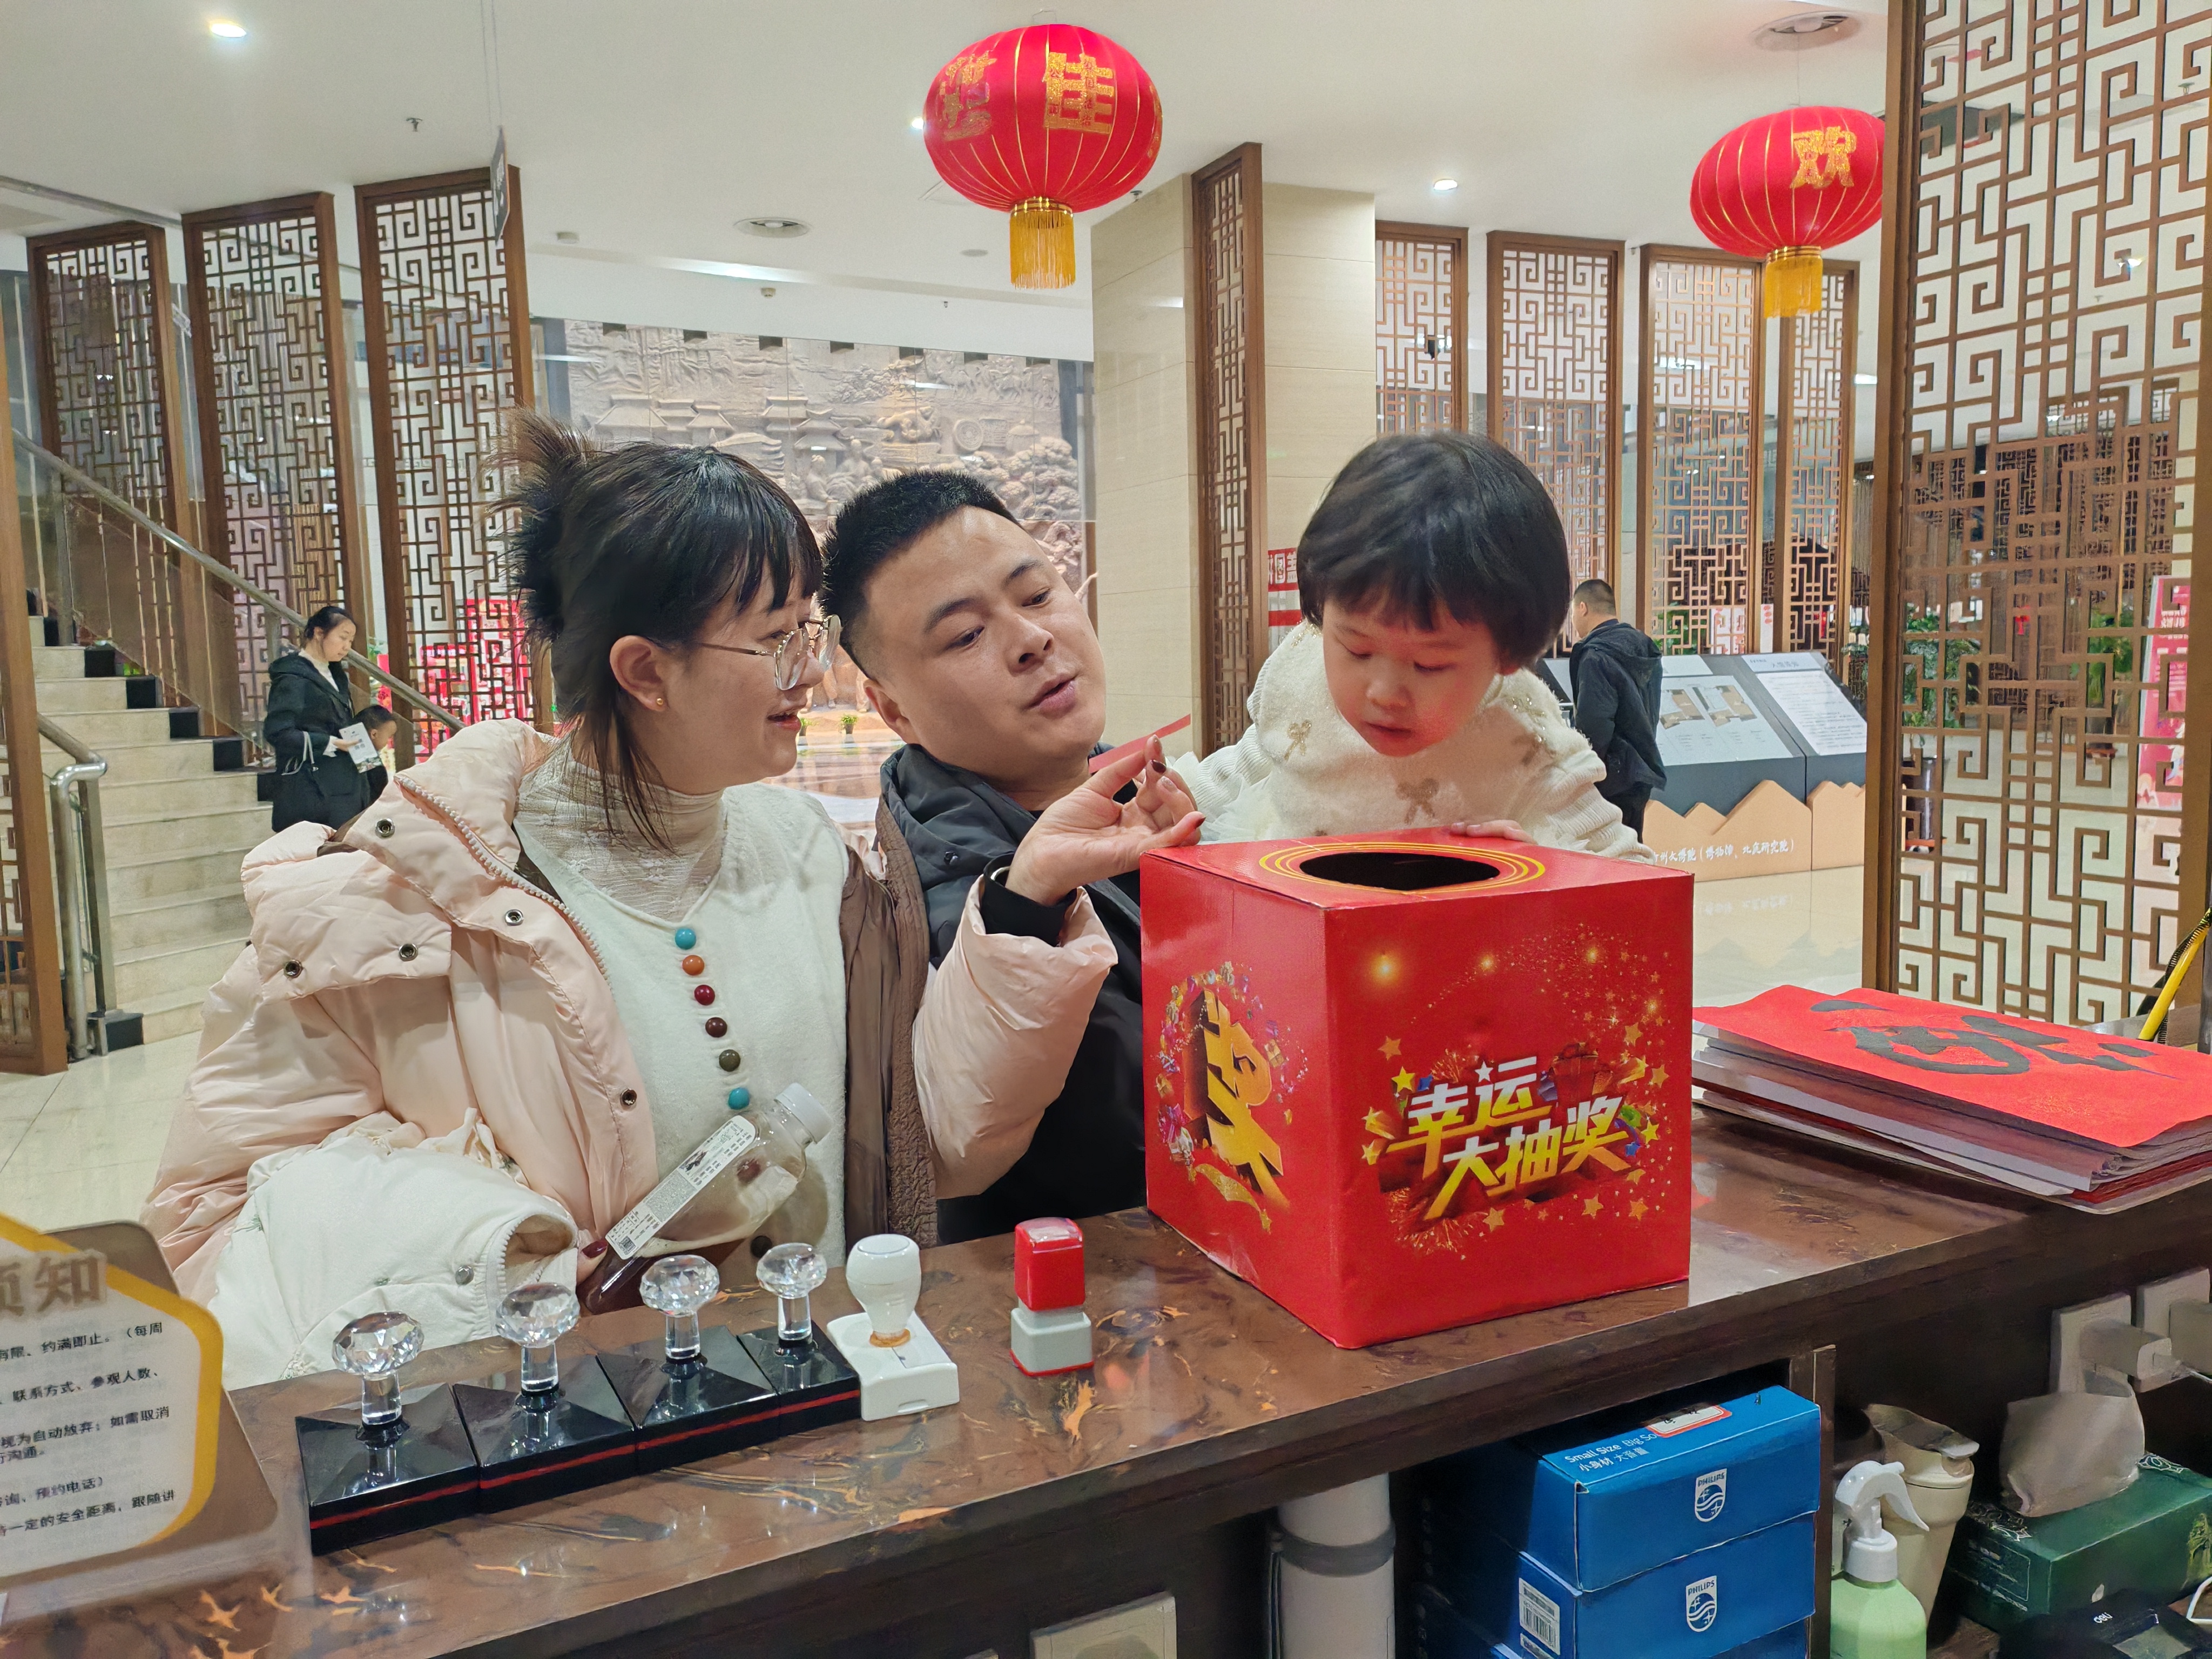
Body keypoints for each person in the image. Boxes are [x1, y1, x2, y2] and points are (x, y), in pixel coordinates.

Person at [144, 416, 1198, 1385]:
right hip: (567, 1448)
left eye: (808, 633)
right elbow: (213, 1219)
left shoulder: (818, 858)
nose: (810, 675)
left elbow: (933, 1143)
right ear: (645, 673)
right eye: (775, 640)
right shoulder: (392, 905)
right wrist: (511, 1256)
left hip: (826, 1413)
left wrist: (1023, 901)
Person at [822, 471, 1200, 1243]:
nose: (1032, 640)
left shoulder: (1128, 789)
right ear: (893, 710)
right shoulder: (939, 908)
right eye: (965, 636)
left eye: (1036, 595)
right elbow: (1152, 1125)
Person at [1170, 430, 1647, 860]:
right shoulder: (1303, 678)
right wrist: (1181, 798)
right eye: (1357, 650)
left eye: (1429, 665)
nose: (1384, 693)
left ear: (1507, 652)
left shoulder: (1525, 744)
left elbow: (1634, 877)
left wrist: (1544, 872)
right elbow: (1258, 761)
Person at [1564, 577, 1665, 837]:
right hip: (1640, 770)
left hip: (1611, 778)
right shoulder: (1643, 647)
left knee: (1606, 852)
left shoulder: (1597, 656)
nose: (1573, 620)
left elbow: (1595, 726)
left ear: (1583, 608)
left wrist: (1583, 774)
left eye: (1572, 612)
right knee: (1630, 849)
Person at [264, 604, 377, 833]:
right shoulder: (293, 678)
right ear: (319, 633)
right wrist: (329, 742)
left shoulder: (335, 674)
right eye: (343, 638)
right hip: (314, 788)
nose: (347, 647)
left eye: (351, 641)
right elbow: (278, 732)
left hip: (345, 784)